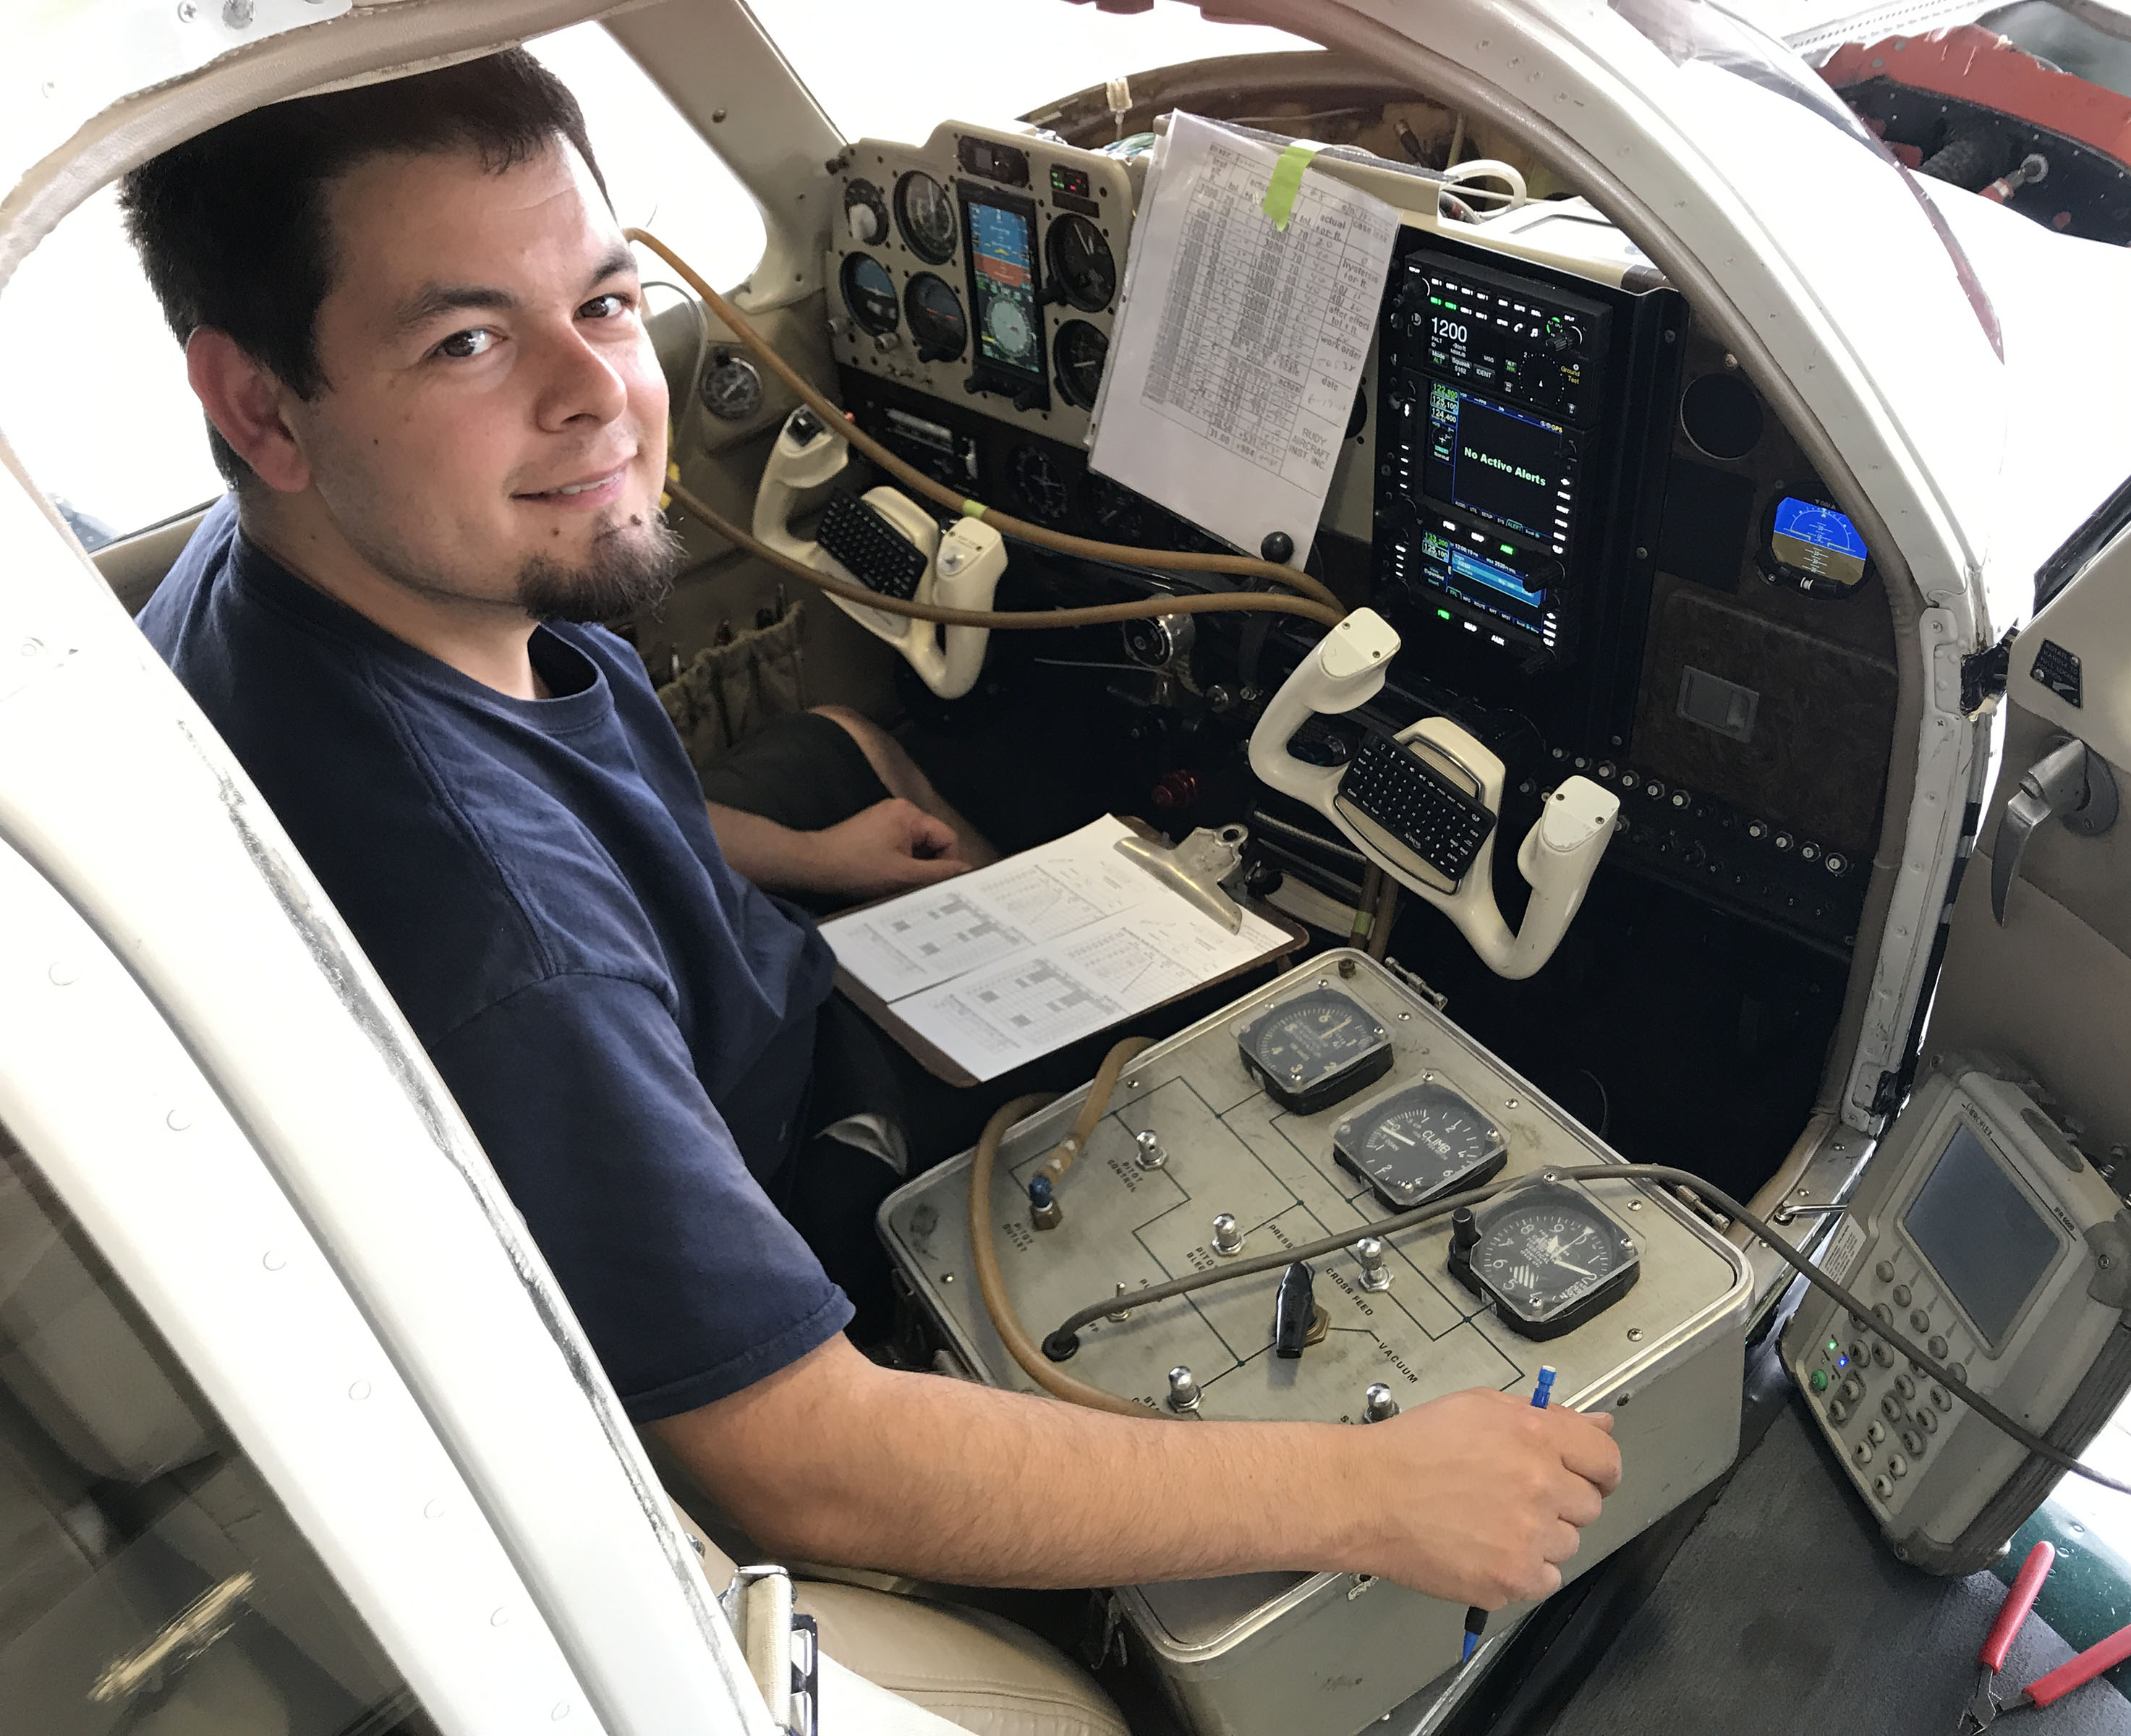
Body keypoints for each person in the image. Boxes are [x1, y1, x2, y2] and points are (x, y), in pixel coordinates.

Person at [123, 50, 1620, 1607]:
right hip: (781, 1141)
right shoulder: (507, 945)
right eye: (464, 341)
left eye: (606, 301)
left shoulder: (314, 591)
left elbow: (570, 809)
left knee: (858, 745)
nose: (597, 398)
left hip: (717, 977)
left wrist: (803, 863)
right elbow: (801, 1460)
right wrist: (1373, 1493)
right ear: (258, 404)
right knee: (1255, 974)